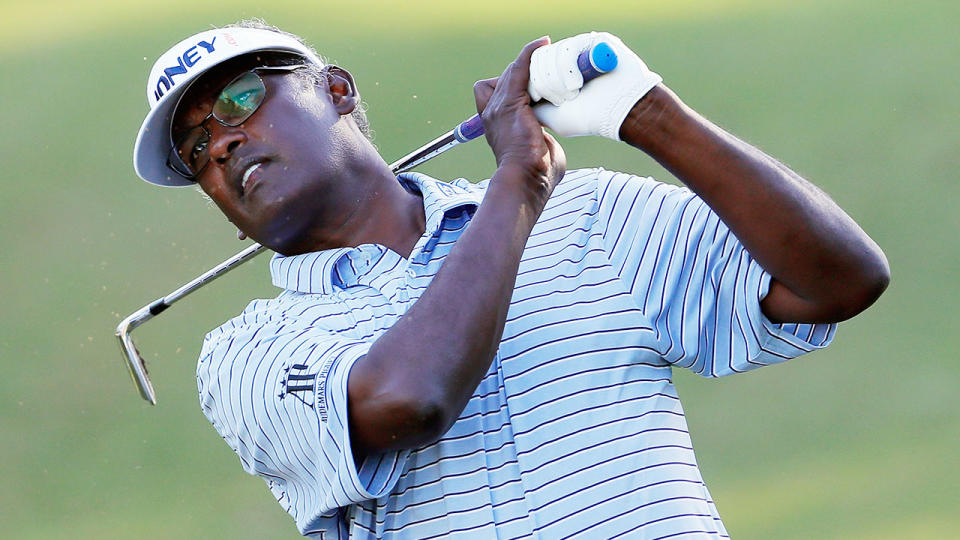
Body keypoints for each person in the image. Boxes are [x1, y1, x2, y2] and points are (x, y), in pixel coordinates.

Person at [133, 20, 888, 539]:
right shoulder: (243, 355)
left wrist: (647, 114)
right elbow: (409, 398)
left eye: (240, 100)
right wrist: (519, 183)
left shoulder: (587, 214)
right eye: (197, 149)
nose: (224, 142)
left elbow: (839, 281)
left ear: (335, 91)